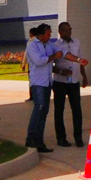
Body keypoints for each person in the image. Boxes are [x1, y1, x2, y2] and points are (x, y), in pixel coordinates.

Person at [22, 24, 61, 154]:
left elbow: (60, 52)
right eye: (48, 34)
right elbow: (39, 61)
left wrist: (77, 59)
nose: (50, 36)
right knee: (39, 107)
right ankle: (31, 138)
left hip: (47, 82)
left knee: (44, 111)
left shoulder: (49, 44)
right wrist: (54, 57)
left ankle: (39, 140)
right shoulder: (32, 45)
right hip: (38, 82)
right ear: (41, 34)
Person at [51, 21, 86, 149]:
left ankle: (78, 137)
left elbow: (80, 60)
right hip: (60, 83)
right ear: (60, 32)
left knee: (77, 110)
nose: (69, 32)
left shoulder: (76, 42)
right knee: (59, 110)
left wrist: (84, 76)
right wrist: (61, 71)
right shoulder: (55, 45)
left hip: (74, 82)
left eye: (70, 29)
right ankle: (61, 138)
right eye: (66, 30)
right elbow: (50, 66)